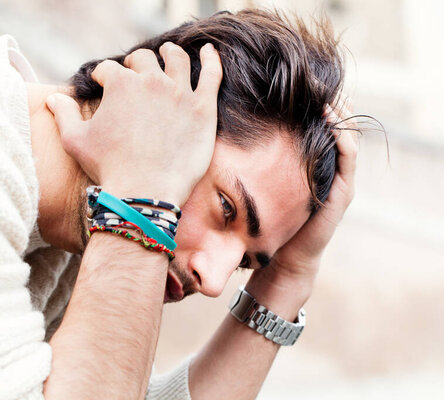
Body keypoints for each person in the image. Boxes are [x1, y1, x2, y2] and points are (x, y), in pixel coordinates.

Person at [0, 8, 358, 400]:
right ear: (157, 108)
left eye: (243, 263)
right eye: (226, 209)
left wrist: (289, 277)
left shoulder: (83, 242)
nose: (215, 282)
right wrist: (141, 199)